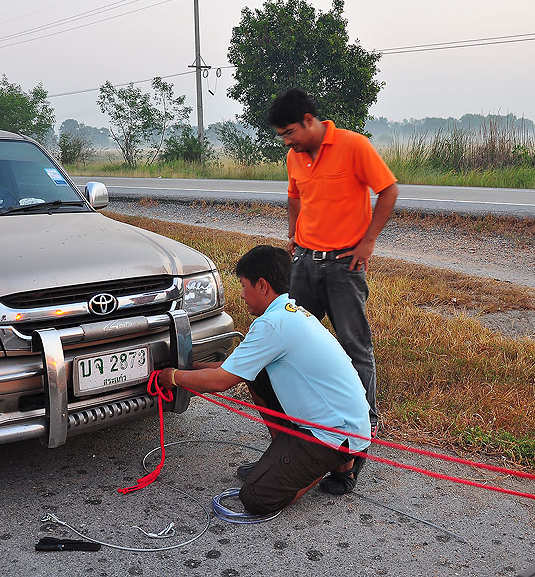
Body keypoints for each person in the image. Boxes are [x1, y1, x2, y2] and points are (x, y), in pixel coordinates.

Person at [157, 245, 371, 513]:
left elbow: (220, 381)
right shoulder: (289, 314)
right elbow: (233, 368)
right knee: (255, 376)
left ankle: (333, 463)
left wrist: (173, 377)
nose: (242, 295)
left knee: (257, 497)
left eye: (244, 286)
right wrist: (185, 365)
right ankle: (300, 459)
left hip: (333, 433)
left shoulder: (272, 326)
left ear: (262, 285)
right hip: (345, 424)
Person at [267, 88, 399, 442]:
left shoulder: (353, 146)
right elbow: (294, 197)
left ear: (309, 121)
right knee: (293, 340)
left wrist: (368, 242)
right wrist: (293, 236)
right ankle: (302, 418)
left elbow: (388, 190)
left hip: (344, 265)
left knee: (354, 344)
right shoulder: (295, 158)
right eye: (281, 135)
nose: (286, 142)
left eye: (289, 132)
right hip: (305, 263)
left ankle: (366, 422)